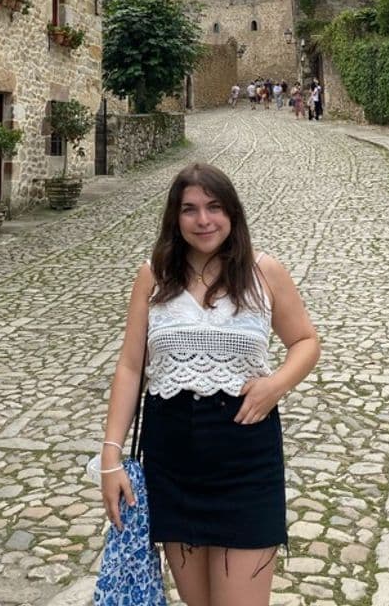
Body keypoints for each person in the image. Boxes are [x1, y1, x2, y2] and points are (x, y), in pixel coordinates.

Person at [99, 163, 320, 606]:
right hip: (173, 459)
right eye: (190, 209)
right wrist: (110, 458)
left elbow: (305, 341)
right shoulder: (153, 276)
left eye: (215, 207)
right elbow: (130, 366)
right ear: (174, 218)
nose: (204, 220)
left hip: (245, 456)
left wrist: (275, 385)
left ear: (232, 214)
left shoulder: (264, 272)